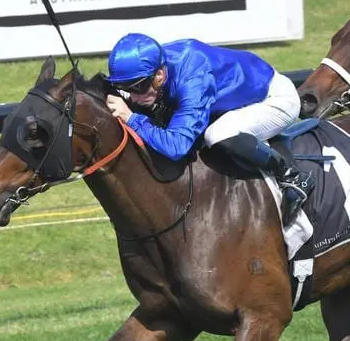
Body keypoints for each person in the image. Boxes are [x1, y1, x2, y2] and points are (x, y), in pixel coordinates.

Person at [105, 33, 311, 224]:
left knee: (217, 135)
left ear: (159, 75)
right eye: (125, 87)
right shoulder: (153, 68)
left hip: (274, 100)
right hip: (237, 95)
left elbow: (176, 147)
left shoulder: (192, 82)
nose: (132, 95)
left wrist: (132, 118)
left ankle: (291, 177)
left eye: (137, 87)